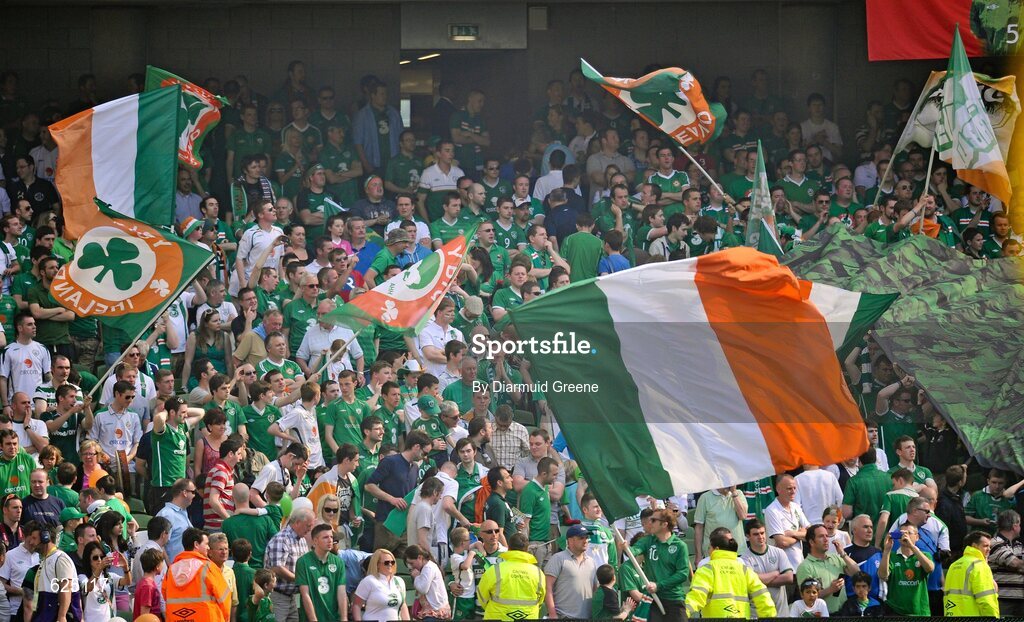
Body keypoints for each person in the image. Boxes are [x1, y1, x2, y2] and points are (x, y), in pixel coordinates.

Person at [685, 527, 776, 619]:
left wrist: (682, 614)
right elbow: (763, 597)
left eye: (709, 548)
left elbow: (696, 596)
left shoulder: (707, 569)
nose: (709, 551)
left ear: (715, 549)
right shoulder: (744, 570)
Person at [163, 528, 230, 622]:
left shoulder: (171, 569)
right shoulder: (209, 567)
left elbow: (165, 594)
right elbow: (224, 598)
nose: (208, 548)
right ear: (196, 545)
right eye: (206, 544)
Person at [476, 533, 545, 621]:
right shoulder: (538, 572)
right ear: (527, 549)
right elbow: (540, 600)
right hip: (529, 617)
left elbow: (482, 597)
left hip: (497, 617)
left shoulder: (494, 570)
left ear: (508, 548)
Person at [796, 524, 861, 613]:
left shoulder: (836, 558)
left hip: (844, 613)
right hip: (823, 616)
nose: (826, 539)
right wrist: (830, 590)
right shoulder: (805, 566)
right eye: (821, 536)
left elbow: (856, 572)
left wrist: (842, 553)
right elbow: (806, 598)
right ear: (811, 542)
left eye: (827, 536)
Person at [264, 508, 314, 622]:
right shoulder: (281, 539)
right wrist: (300, 580)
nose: (310, 529)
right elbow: (277, 568)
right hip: (278, 596)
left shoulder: (301, 540)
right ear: (297, 523)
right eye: (308, 525)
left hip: (291, 597)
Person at [740, 518, 793, 617]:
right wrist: (775, 573)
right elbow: (748, 583)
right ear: (747, 536)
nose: (760, 537)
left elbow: (789, 578)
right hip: (757, 615)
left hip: (781, 614)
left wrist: (760, 580)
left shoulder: (778, 552)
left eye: (762, 533)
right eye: (756, 534)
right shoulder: (744, 559)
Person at [879, 523, 934, 617]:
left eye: (909, 533)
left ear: (917, 537)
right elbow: (883, 575)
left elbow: (930, 568)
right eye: (902, 533)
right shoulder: (891, 556)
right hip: (895, 612)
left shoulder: (924, 555)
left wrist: (912, 546)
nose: (905, 536)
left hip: (920, 612)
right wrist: (886, 551)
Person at [296, 523, 348, 622]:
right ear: (315, 541)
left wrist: (344, 618)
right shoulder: (303, 562)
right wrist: (313, 619)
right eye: (325, 537)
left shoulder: (338, 562)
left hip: (334, 618)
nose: (330, 540)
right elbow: (305, 594)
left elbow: (341, 592)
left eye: (331, 537)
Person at [544, 524, 596, 619]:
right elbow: (547, 588)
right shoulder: (558, 558)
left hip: (587, 617)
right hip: (563, 616)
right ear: (570, 540)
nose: (585, 541)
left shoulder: (592, 562)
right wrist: (552, 614)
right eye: (581, 538)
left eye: (587, 538)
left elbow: (595, 590)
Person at [944, 530, 999, 616]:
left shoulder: (954, 565)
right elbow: (986, 599)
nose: (989, 549)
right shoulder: (979, 565)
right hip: (973, 616)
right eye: (985, 546)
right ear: (974, 546)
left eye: (990, 546)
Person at [352, 548, 408, 622]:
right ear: (377, 564)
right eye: (386, 562)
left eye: (392, 562)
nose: (390, 564)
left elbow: (403, 605)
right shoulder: (368, 581)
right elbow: (356, 605)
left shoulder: (399, 581)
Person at [989, 509, 1024, 616]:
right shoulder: (994, 543)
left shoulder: (1019, 545)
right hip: (1003, 598)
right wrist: (1018, 565)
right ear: (1015, 526)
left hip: (1021, 598)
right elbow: (1015, 563)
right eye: (1020, 524)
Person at [404, 545, 450, 619]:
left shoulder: (428, 568)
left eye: (412, 563)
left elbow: (423, 589)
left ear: (420, 558)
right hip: (433, 608)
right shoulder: (427, 567)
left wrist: (416, 577)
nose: (411, 567)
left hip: (436, 610)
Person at [156, 479, 195, 564]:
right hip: (174, 569)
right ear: (184, 493)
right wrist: (169, 567)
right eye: (193, 492)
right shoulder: (167, 514)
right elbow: (159, 544)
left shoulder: (183, 512)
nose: (194, 495)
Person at [132, 548, 166, 620]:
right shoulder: (147, 586)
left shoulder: (146, 583)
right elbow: (145, 616)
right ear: (157, 566)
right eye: (162, 562)